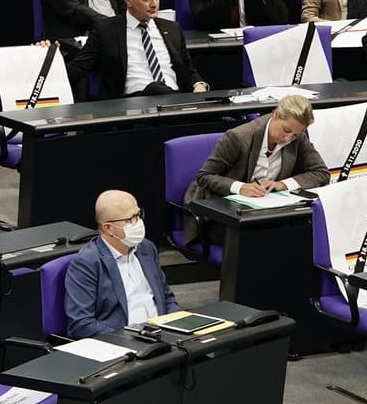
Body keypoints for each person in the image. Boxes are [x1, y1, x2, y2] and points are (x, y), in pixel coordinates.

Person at [63, 189, 181, 338]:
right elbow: (81, 324)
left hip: (162, 336)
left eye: (138, 215)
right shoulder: (87, 263)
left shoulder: (146, 248)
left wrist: (178, 325)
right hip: (123, 343)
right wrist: (133, 338)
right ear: (108, 228)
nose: (138, 223)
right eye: (130, 219)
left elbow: (167, 297)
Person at [71, 0, 207, 99]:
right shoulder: (106, 30)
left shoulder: (172, 28)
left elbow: (189, 68)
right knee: (156, 89)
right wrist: (51, 57)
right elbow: (79, 68)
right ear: (128, 0)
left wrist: (199, 85)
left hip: (174, 99)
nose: (154, 4)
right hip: (133, 103)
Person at [187, 97, 327, 220]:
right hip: (222, 212)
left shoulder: (297, 137)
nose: (288, 139)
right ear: (276, 115)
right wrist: (240, 187)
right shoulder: (238, 137)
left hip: (266, 210)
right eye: (287, 130)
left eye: (295, 135)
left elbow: (321, 173)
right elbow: (204, 176)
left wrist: (283, 185)